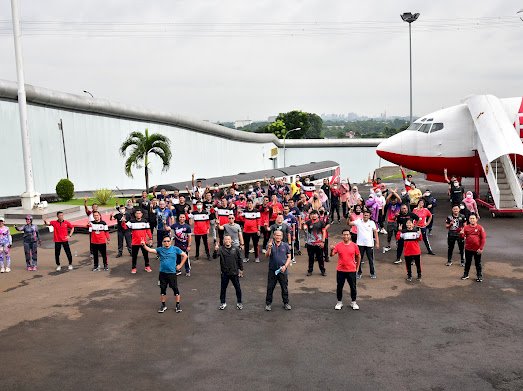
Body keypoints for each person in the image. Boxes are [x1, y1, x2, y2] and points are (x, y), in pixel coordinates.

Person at [141, 236, 187, 313]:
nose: (166, 242)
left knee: (175, 289)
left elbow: (185, 255)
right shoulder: (160, 250)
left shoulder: (175, 249)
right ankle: (163, 305)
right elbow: (150, 250)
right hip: (162, 273)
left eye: (168, 241)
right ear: (163, 242)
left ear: (170, 242)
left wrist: (180, 265)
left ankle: (177, 305)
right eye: (165, 241)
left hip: (172, 273)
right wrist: (144, 245)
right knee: (163, 290)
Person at [330, 229, 361, 310]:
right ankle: (339, 302)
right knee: (339, 287)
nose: (346, 236)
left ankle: (353, 302)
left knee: (353, 287)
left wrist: (357, 268)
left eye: (347, 234)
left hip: (351, 270)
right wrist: (331, 249)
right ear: (342, 236)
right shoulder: (338, 245)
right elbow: (332, 255)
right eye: (344, 234)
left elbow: (358, 256)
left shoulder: (354, 245)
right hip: (341, 270)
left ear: (350, 236)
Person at [214, 235, 244, 310]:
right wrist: (215, 250)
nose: (227, 240)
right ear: (224, 241)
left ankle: (239, 302)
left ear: (231, 240)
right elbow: (214, 257)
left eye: (228, 239)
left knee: (238, 288)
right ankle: (223, 303)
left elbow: (240, 259)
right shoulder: (221, 249)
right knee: (223, 289)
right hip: (225, 273)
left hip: (234, 272)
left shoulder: (236, 248)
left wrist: (241, 269)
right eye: (226, 239)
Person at [265, 231, 292, 311]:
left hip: (282, 270)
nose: (278, 237)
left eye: (280, 235)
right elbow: (267, 256)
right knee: (270, 287)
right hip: (272, 270)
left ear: (282, 236)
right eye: (277, 235)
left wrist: (285, 266)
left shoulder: (285, 245)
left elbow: (289, 257)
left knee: (284, 287)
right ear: (274, 236)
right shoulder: (270, 245)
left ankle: (286, 303)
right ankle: (268, 304)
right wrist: (269, 248)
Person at [348, 210, 379, 279]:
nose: (366, 216)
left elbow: (375, 232)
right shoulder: (358, 221)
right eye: (365, 215)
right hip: (360, 244)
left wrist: (377, 243)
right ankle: (358, 273)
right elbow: (349, 224)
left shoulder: (372, 223)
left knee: (371, 259)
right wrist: (349, 217)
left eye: (367, 215)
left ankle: (372, 273)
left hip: (369, 244)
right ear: (363, 215)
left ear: (369, 216)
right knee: (358, 259)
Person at [122, 209, 153, 274]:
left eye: (139, 213)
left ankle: (147, 266)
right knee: (134, 256)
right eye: (137, 213)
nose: (138, 214)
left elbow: (148, 230)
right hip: (135, 242)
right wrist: (123, 222)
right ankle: (134, 268)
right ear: (135, 214)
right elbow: (125, 227)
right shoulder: (131, 221)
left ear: (141, 214)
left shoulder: (145, 221)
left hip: (143, 242)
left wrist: (150, 238)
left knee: (145, 255)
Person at [461, 214, 486, 282]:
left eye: (473, 218)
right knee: (467, 263)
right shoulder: (466, 227)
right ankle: (466, 275)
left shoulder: (480, 228)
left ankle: (479, 276)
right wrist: (461, 234)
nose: (472, 220)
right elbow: (463, 236)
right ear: (469, 220)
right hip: (468, 248)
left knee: (478, 263)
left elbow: (483, 239)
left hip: (477, 249)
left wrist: (481, 248)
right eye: (470, 218)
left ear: (476, 219)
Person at [303, 210, 327, 277]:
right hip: (310, 244)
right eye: (312, 214)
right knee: (311, 258)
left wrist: (323, 241)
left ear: (318, 215)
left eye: (315, 214)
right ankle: (310, 271)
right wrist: (303, 225)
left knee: (320, 258)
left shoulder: (321, 223)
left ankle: (322, 271)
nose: (314, 215)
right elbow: (304, 229)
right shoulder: (308, 222)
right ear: (310, 215)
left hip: (319, 243)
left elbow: (324, 232)